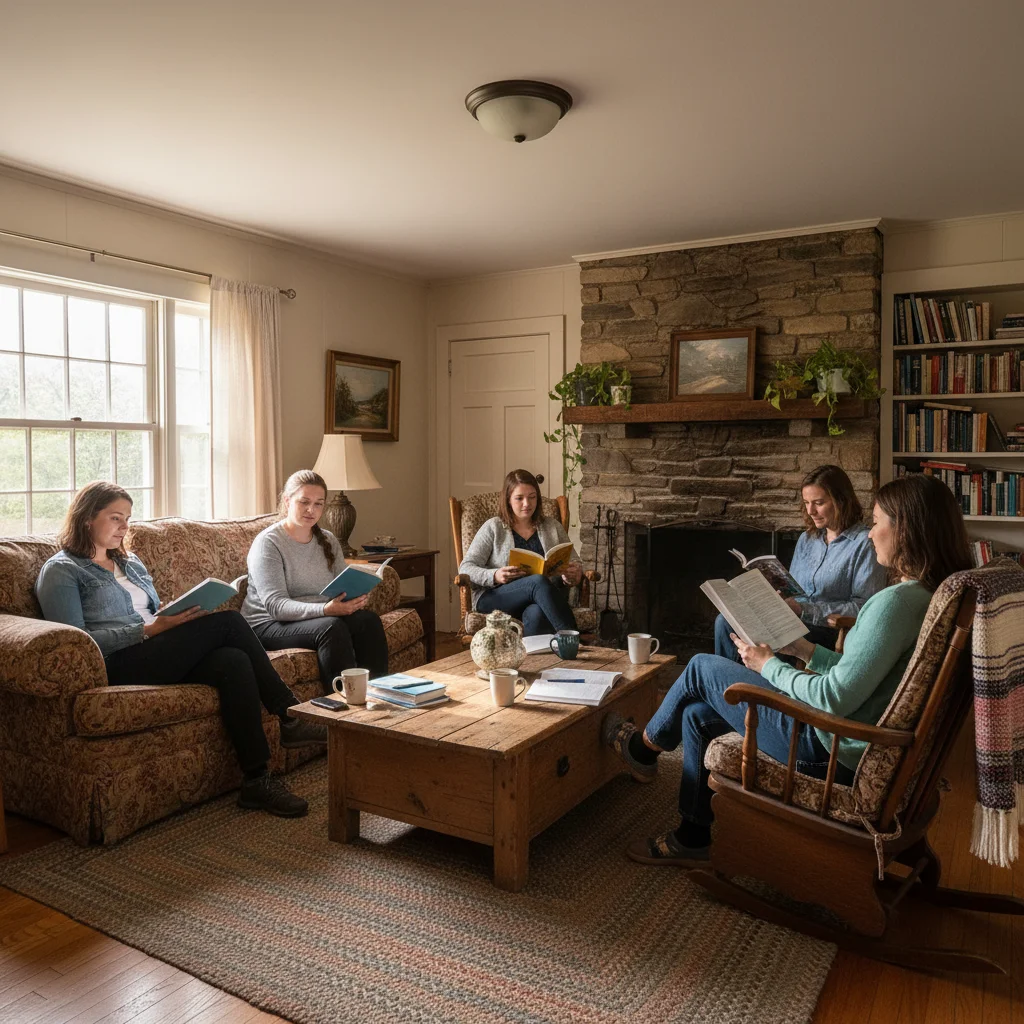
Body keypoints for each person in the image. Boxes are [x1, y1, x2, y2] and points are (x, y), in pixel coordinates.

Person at [605, 473, 973, 868]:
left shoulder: (894, 604)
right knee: (697, 714)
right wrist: (802, 649)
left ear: (907, 529)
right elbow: (861, 673)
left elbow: (833, 697)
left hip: (827, 748)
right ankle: (692, 837)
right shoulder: (926, 596)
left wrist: (770, 666)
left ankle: (642, 749)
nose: (870, 534)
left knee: (699, 667)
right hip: (848, 737)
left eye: (878, 522)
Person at [35, 482, 323, 818]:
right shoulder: (62, 570)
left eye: (127, 518)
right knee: (229, 622)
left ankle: (257, 780)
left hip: (155, 649)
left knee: (233, 660)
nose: (124, 527)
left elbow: (150, 613)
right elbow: (77, 643)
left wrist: (170, 617)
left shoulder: (130, 563)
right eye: (115, 518)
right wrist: (148, 630)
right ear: (87, 518)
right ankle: (289, 714)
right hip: (117, 662)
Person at [715, 464, 888, 660]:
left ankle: (746, 678)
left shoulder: (864, 543)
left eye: (818, 503)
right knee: (725, 621)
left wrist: (804, 610)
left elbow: (864, 608)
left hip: (828, 629)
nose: (811, 511)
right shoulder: (807, 539)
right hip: (792, 619)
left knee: (768, 638)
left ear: (841, 501)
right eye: (806, 503)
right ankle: (731, 678)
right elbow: (795, 592)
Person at [243, 469, 389, 687]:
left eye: (318, 503)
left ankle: (379, 694)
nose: (311, 510)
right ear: (287, 501)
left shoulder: (328, 540)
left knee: (367, 621)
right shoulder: (269, 543)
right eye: (304, 502)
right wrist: (325, 610)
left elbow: (341, 585)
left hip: (316, 617)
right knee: (331, 627)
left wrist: (355, 597)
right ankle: (342, 702)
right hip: (268, 624)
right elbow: (275, 606)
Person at [460, 469, 584, 637]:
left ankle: (537, 654)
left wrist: (571, 574)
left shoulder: (552, 526)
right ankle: (573, 640)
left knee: (536, 614)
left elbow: (575, 561)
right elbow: (465, 568)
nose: (527, 503)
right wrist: (495, 575)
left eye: (532, 497)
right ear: (508, 499)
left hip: (539, 600)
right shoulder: (493, 527)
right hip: (495, 598)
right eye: (519, 498)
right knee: (537, 581)